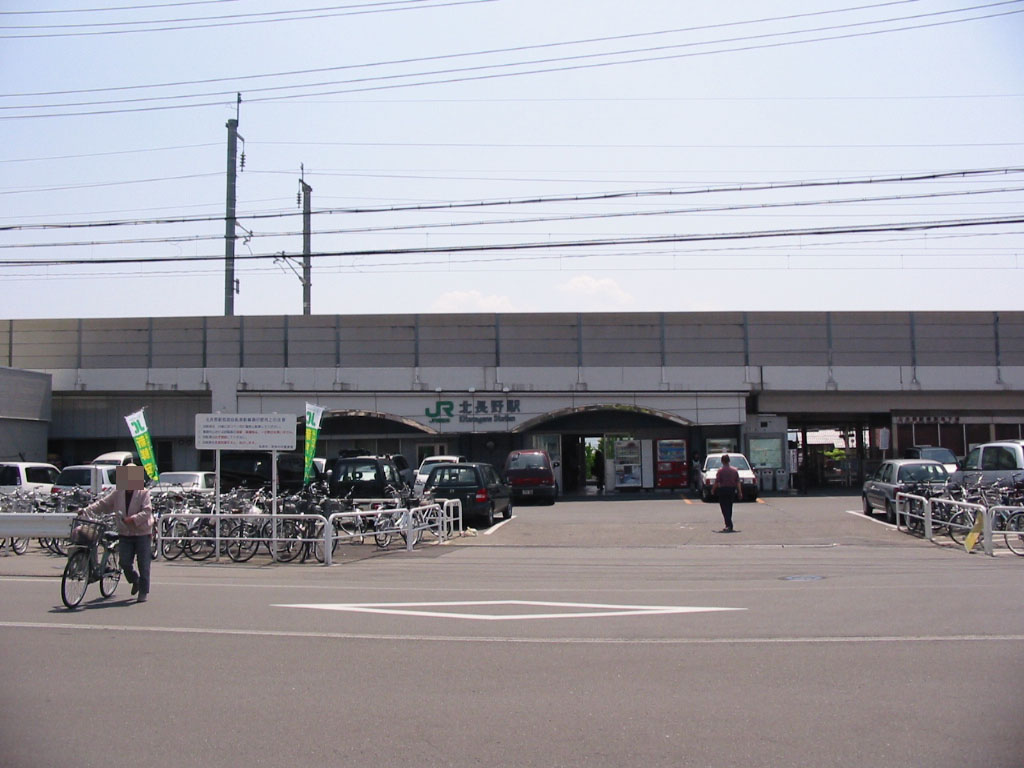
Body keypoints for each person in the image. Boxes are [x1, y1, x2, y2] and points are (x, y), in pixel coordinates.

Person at [82, 464, 153, 603]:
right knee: (124, 562)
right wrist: (86, 510)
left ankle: (143, 591)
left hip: (142, 532)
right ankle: (135, 579)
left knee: (144, 563)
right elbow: (103, 504)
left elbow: (147, 511)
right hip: (125, 532)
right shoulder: (118, 492)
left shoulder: (143, 493)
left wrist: (133, 519)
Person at [711, 453, 742, 532]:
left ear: (722, 461)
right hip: (731, 490)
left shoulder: (720, 471)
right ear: (729, 461)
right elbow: (738, 482)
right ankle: (729, 524)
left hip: (723, 490)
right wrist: (740, 492)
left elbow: (717, 482)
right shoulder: (734, 471)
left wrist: (713, 490)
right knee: (729, 506)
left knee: (724, 508)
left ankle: (728, 524)